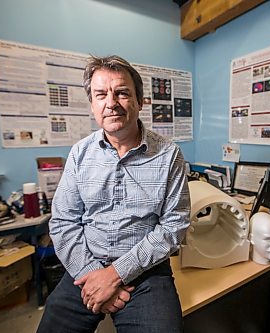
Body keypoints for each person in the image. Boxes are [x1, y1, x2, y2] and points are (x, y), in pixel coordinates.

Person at [37, 55, 191, 333]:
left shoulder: (169, 154)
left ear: (140, 102)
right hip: (84, 266)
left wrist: (116, 274)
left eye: (122, 93)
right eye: (101, 95)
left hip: (147, 272)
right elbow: (62, 222)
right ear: (93, 105)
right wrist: (91, 276)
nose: (111, 103)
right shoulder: (79, 155)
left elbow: (174, 226)